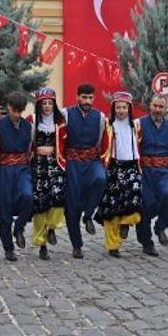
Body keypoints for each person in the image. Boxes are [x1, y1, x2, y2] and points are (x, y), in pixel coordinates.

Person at [94, 92, 143, 258]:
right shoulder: (107, 124)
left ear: (129, 109)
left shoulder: (135, 126)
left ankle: (126, 223)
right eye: (118, 107)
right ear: (113, 108)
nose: (121, 110)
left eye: (124, 107)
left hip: (132, 168)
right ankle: (113, 245)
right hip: (113, 168)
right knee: (111, 210)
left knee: (135, 201)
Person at [62, 83, 108, 259]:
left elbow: (102, 141)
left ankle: (88, 215)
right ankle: (77, 245)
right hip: (73, 162)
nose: (87, 101)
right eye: (84, 97)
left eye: (90, 98)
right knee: (72, 205)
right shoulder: (66, 114)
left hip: (92, 160)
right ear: (77, 97)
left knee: (100, 179)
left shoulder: (100, 117)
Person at [0, 91, 34, 262]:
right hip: (4, 170)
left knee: (28, 196)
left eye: (20, 111)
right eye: (14, 110)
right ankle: (8, 248)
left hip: (23, 168)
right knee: (5, 210)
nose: (16, 114)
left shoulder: (27, 126)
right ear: (8, 107)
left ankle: (19, 227)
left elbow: (30, 148)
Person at [135, 94, 168, 256]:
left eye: (161, 107)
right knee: (145, 205)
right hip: (145, 171)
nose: (158, 110)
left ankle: (161, 227)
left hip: (164, 171)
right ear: (150, 106)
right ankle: (147, 243)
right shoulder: (138, 124)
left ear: (166, 109)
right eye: (155, 106)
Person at [27, 88, 66, 261]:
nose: (47, 106)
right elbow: (26, 143)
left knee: (58, 197)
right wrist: (35, 151)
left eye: (50, 103)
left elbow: (67, 143)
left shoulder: (61, 122)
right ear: (39, 105)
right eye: (44, 103)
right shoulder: (32, 121)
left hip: (56, 164)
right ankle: (41, 244)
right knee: (39, 204)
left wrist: (55, 150)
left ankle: (52, 227)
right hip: (38, 166)